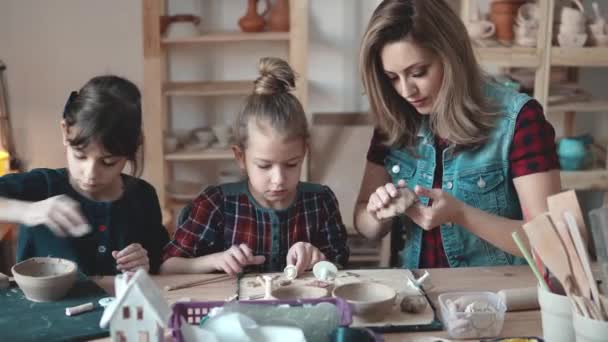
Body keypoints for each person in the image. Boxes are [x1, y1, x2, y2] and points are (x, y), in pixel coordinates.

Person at [354, 0, 561, 269]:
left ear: (451, 56)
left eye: (418, 72)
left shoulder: (520, 120)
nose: (406, 91)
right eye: (392, 77)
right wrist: (379, 213)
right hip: (417, 295)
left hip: (495, 299)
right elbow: (364, 223)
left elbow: (549, 242)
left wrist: (463, 215)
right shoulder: (395, 118)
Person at [161, 57, 349, 276]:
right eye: (264, 166)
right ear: (240, 157)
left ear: (304, 152)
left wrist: (317, 258)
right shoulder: (216, 204)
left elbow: (341, 266)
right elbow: (167, 267)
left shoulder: (320, 202)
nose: (278, 178)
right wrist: (215, 260)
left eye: (291, 164)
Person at [0, 75, 169, 275]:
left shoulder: (143, 196)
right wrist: (28, 211)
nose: (90, 174)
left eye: (108, 162)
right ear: (65, 132)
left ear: (133, 147)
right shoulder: (42, 186)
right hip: (45, 306)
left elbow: (160, 262)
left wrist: (144, 262)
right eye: (80, 156)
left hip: (117, 305)